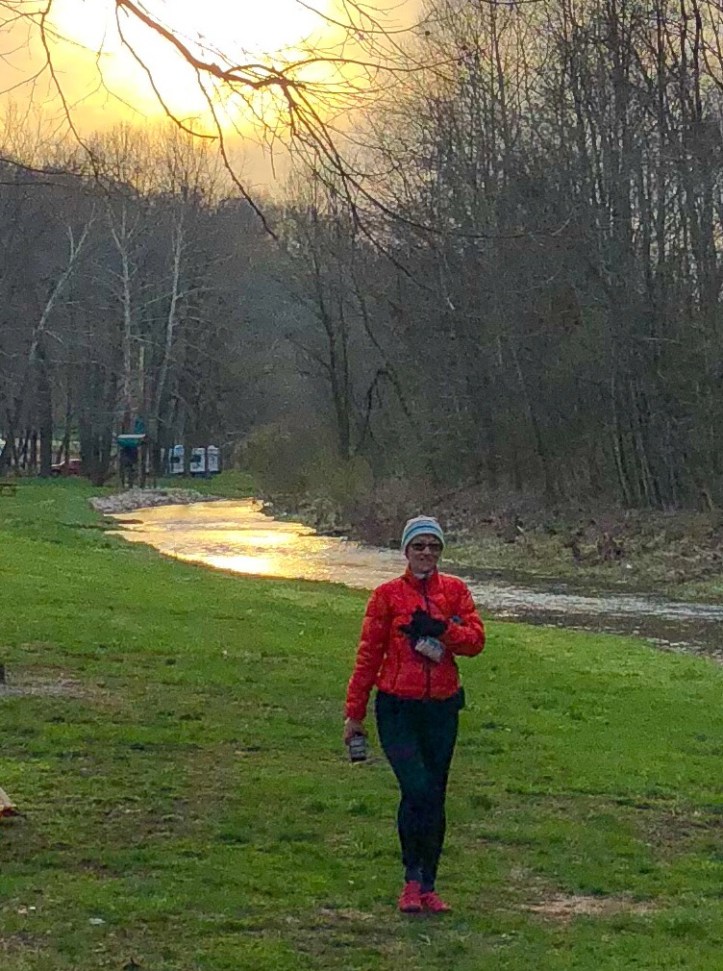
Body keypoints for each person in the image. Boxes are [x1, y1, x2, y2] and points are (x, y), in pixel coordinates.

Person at [343, 515, 485, 914]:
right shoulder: (386, 596)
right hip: (397, 708)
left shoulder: (455, 591)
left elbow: (476, 642)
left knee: (435, 796)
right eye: (419, 546)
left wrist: (442, 630)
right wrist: (354, 713)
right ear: (405, 550)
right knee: (417, 788)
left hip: (441, 708)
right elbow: (368, 656)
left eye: (433, 546)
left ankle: (428, 885)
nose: (426, 553)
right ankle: (410, 880)